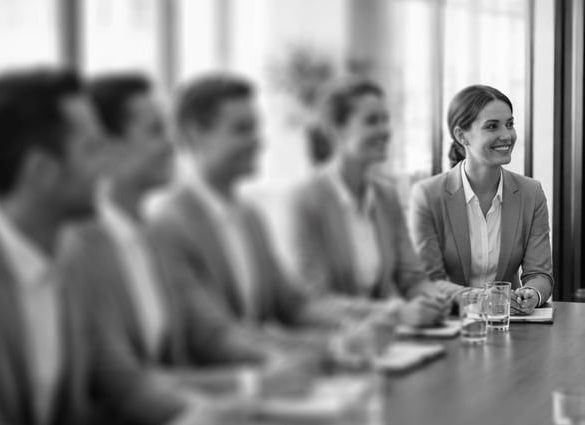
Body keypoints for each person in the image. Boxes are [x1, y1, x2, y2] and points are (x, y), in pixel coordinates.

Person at [0, 68, 242, 425]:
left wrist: (204, 414)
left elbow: (123, 381)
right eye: (93, 148)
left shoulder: (68, 255)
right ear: (41, 170)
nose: (106, 162)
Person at [64, 73, 314, 398]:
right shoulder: (79, 249)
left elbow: (211, 332)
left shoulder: (151, 234)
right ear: (107, 148)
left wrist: (289, 360)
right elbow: (122, 382)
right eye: (155, 131)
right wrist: (254, 382)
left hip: (191, 417)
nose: (171, 144)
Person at [291, 76, 447, 327]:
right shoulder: (306, 199)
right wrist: (396, 314)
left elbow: (412, 277)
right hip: (333, 342)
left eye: (386, 119)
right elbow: (312, 302)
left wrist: (433, 299)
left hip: (384, 342)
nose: (385, 130)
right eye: (372, 121)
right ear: (337, 129)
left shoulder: (386, 195)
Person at [409, 85, 552, 314]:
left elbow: (540, 273)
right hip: (452, 323)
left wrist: (532, 294)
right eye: (492, 126)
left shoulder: (531, 193)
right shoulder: (428, 195)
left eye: (510, 124)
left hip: (510, 324)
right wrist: (476, 298)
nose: (506, 135)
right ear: (461, 135)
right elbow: (427, 280)